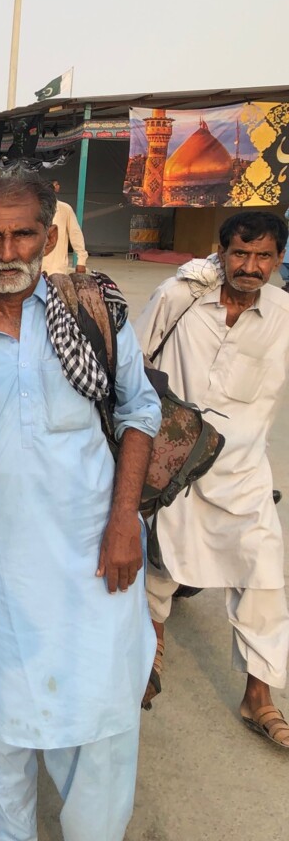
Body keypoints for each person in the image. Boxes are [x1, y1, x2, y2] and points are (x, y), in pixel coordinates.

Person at [0, 173, 161, 841]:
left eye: (24, 232)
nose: (8, 248)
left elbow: (141, 411)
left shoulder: (91, 315)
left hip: (97, 561)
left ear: (49, 238)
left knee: (103, 724)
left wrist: (123, 523)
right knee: (2, 726)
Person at [135, 211, 289, 747]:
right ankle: (149, 648)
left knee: (266, 579)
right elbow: (135, 362)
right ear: (221, 253)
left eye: (264, 256)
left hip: (245, 474)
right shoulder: (182, 299)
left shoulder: (285, 316)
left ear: (278, 259)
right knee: (159, 566)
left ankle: (259, 695)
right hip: (176, 464)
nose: (251, 267)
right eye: (240, 254)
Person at [41, 183, 88, 276]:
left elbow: (75, 234)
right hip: (34, 268)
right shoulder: (33, 209)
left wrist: (81, 261)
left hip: (56, 268)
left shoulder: (65, 209)